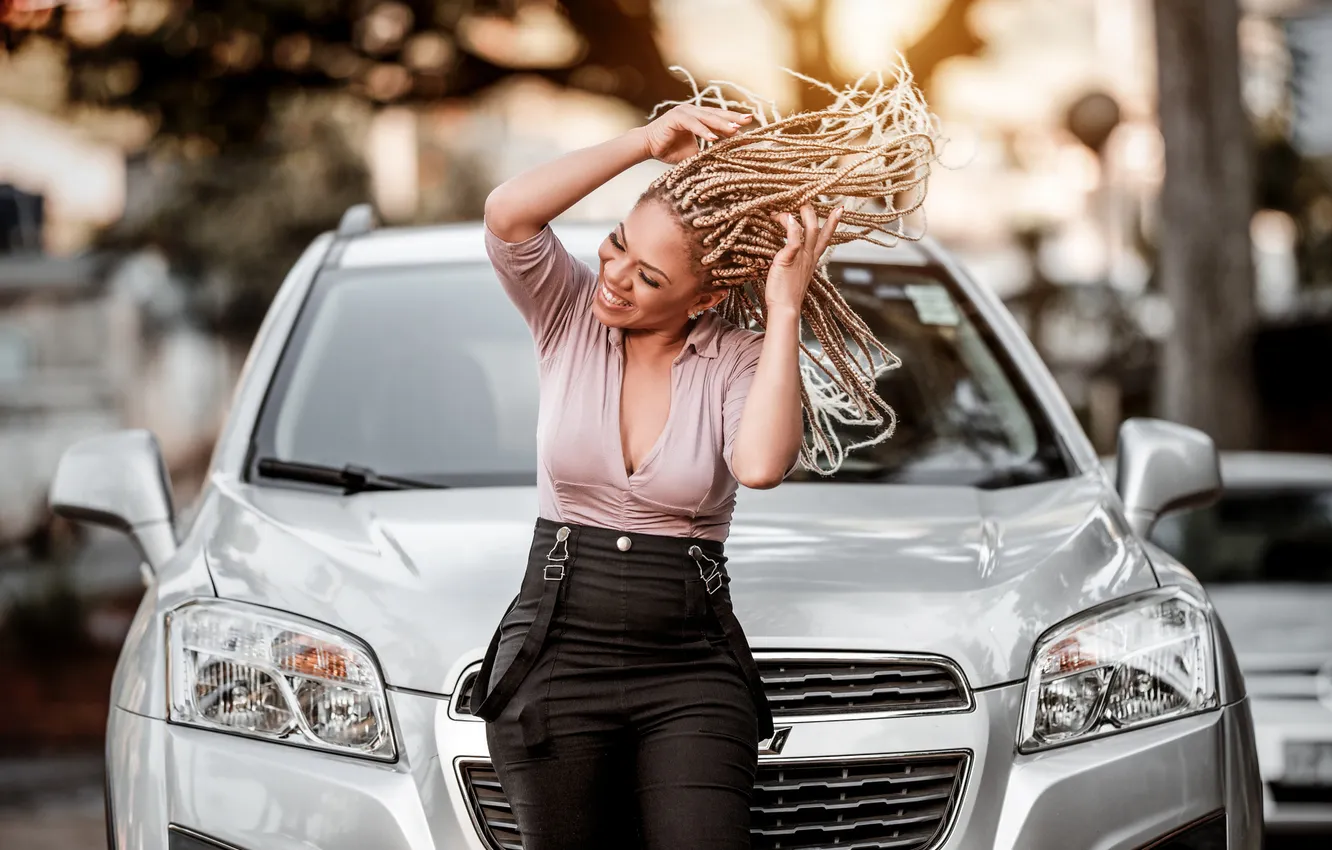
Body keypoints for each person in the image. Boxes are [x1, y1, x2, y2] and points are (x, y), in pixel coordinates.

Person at [468, 68, 937, 849]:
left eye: (649, 276)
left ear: (706, 297)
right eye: (617, 246)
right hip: (555, 652)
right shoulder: (566, 316)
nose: (615, 278)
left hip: (687, 669)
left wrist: (786, 305)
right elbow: (507, 214)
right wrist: (646, 142)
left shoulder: (736, 359)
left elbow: (758, 463)